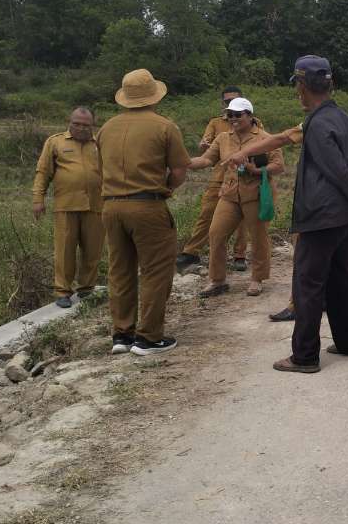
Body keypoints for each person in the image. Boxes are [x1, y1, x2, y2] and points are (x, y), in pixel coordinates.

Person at [224, 55, 348, 374]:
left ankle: (305, 356)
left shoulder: (318, 124)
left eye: (297, 84)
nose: (297, 91)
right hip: (344, 219)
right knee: (342, 278)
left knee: (307, 283)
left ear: (302, 86)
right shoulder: (342, 119)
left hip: (322, 216)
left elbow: (337, 172)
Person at [97, 69, 189, 357]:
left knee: (120, 270)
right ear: (154, 96)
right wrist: (166, 189)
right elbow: (179, 170)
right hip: (147, 205)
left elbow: (100, 168)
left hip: (111, 206)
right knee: (155, 270)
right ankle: (148, 338)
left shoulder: (106, 128)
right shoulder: (165, 127)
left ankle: (122, 334)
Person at [187, 97, 285, 297]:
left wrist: (256, 170)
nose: (233, 118)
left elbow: (279, 166)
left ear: (250, 116)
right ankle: (217, 280)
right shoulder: (223, 138)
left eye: (238, 115)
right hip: (230, 194)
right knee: (216, 233)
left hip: (255, 193)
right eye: (230, 115)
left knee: (258, 237)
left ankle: (257, 278)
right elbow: (206, 160)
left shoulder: (265, 138)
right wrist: (183, 162)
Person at [32, 107, 104, 308]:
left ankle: (87, 288)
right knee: (65, 251)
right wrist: (38, 199)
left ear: (93, 125)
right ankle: (63, 291)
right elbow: (43, 172)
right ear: (69, 122)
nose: (81, 128)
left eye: (86, 125)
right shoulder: (55, 142)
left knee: (93, 250)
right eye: (76, 124)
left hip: (96, 205)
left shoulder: (100, 143)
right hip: (66, 205)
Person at [176, 87, 252, 272]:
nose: (232, 114)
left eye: (234, 102)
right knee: (207, 214)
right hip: (219, 178)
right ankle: (191, 252)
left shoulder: (255, 126)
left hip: (244, 180)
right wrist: (181, 161)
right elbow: (206, 154)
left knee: (242, 219)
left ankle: (239, 255)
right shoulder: (216, 125)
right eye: (227, 103)